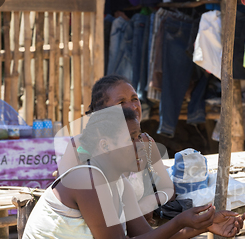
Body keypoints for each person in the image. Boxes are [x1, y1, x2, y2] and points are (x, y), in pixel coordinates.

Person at [15, 105, 245, 239]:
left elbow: (148, 238)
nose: (141, 145)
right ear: (105, 146)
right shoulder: (87, 178)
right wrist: (179, 223)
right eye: (132, 139)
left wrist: (203, 224)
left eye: (139, 137)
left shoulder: (117, 181)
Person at [58, 75, 173, 223]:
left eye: (134, 98)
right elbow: (66, 200)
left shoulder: (145, 143)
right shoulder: (79, 146)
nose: (133, 107)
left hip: (134, 231)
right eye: (121, 102)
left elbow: (168, 188)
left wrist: (150, 202)